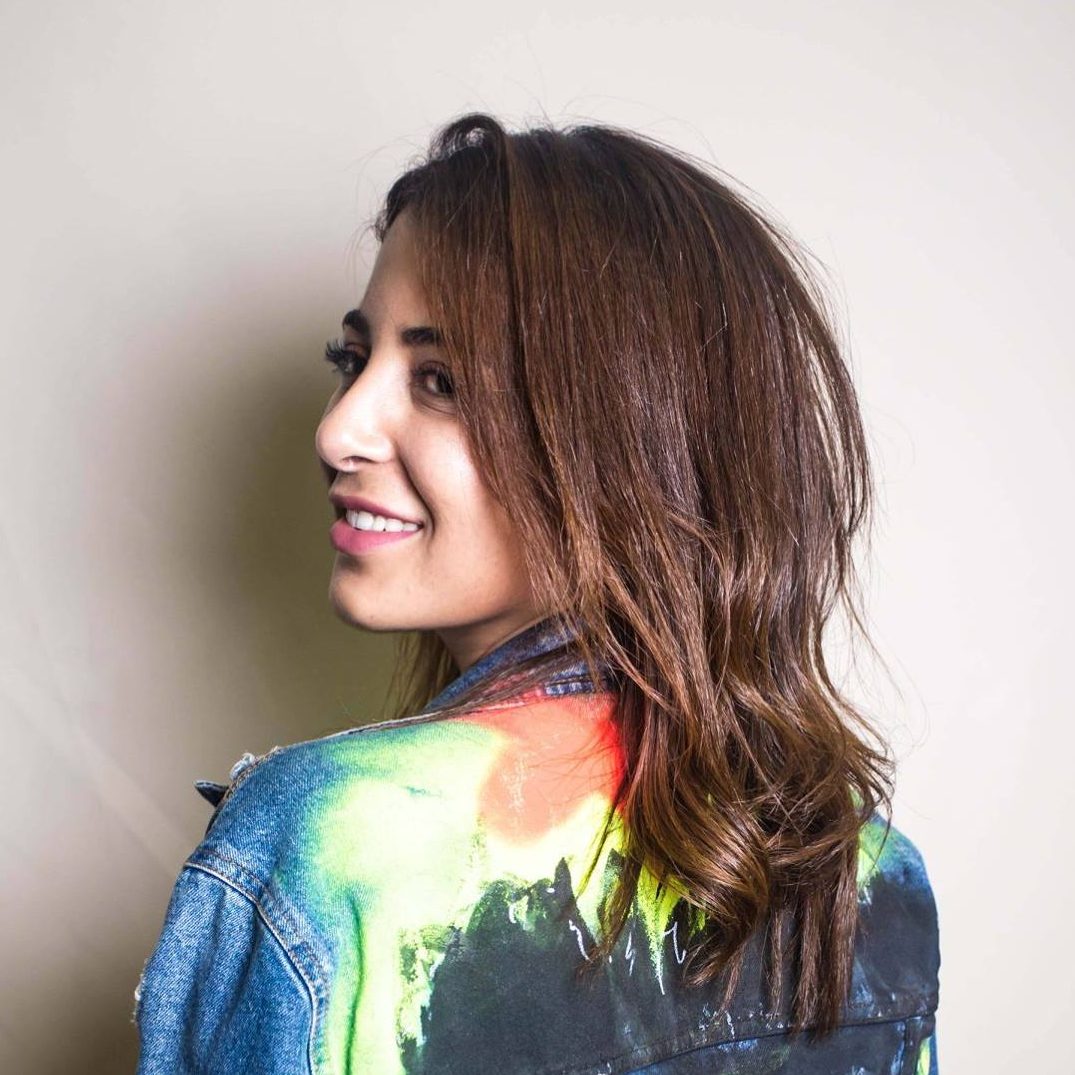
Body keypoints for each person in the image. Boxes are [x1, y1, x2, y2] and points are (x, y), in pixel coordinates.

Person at [134, 113, 940, 1074]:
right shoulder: (862, 869)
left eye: (440, 379)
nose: (338, 429)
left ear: (625, 440)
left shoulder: (330, 852)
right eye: (352, 362)